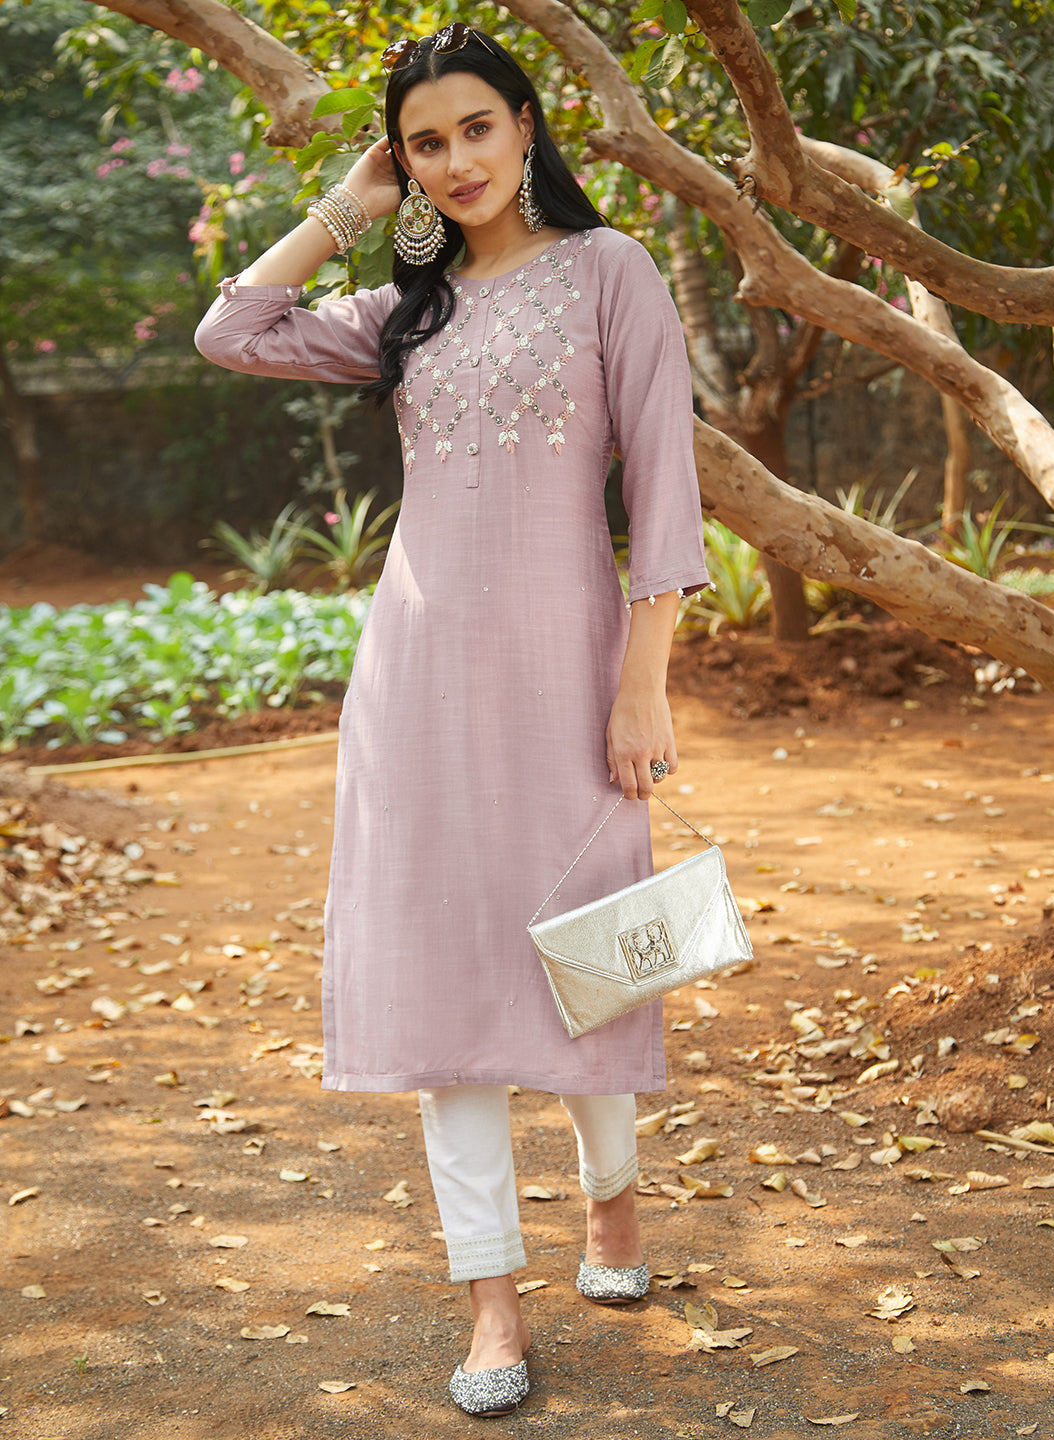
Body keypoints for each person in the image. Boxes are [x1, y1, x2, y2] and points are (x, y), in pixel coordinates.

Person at [195, 22, 708, 1418]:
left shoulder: (610, 271)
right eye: (426, 142)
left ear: (527, 126)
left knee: (583, 952)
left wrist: (643, 683)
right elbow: (233, 331)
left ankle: (612, 1199)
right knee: (441, 978)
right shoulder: (401, 314)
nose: (457, 159)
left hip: (570, 676)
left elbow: (665, 489)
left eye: (477, 127)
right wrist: (349, 206)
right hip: (417, 684)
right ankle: (491, 1299)